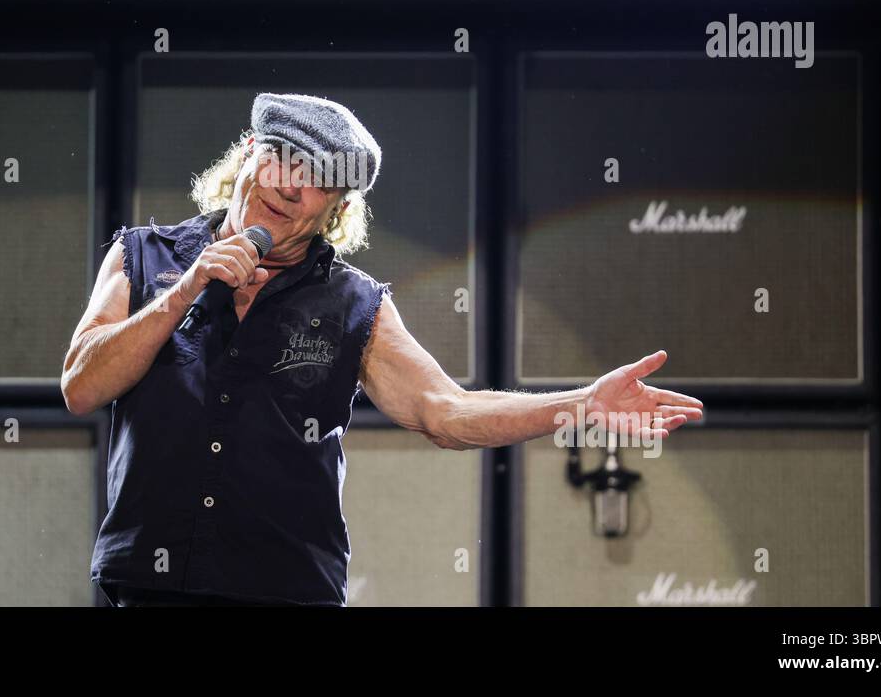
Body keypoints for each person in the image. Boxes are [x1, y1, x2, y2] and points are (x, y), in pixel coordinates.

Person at [61, 92, 703, 606]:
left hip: (285, 592)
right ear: (250, 152)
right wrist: (184, 292)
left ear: (337, 209)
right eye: (284, 158)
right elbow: (81, 386)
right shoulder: (144, 258)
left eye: (318, 181)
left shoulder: (353, 303)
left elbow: (445, 413)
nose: (292, 186)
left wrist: (584, 403)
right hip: (147, 586)